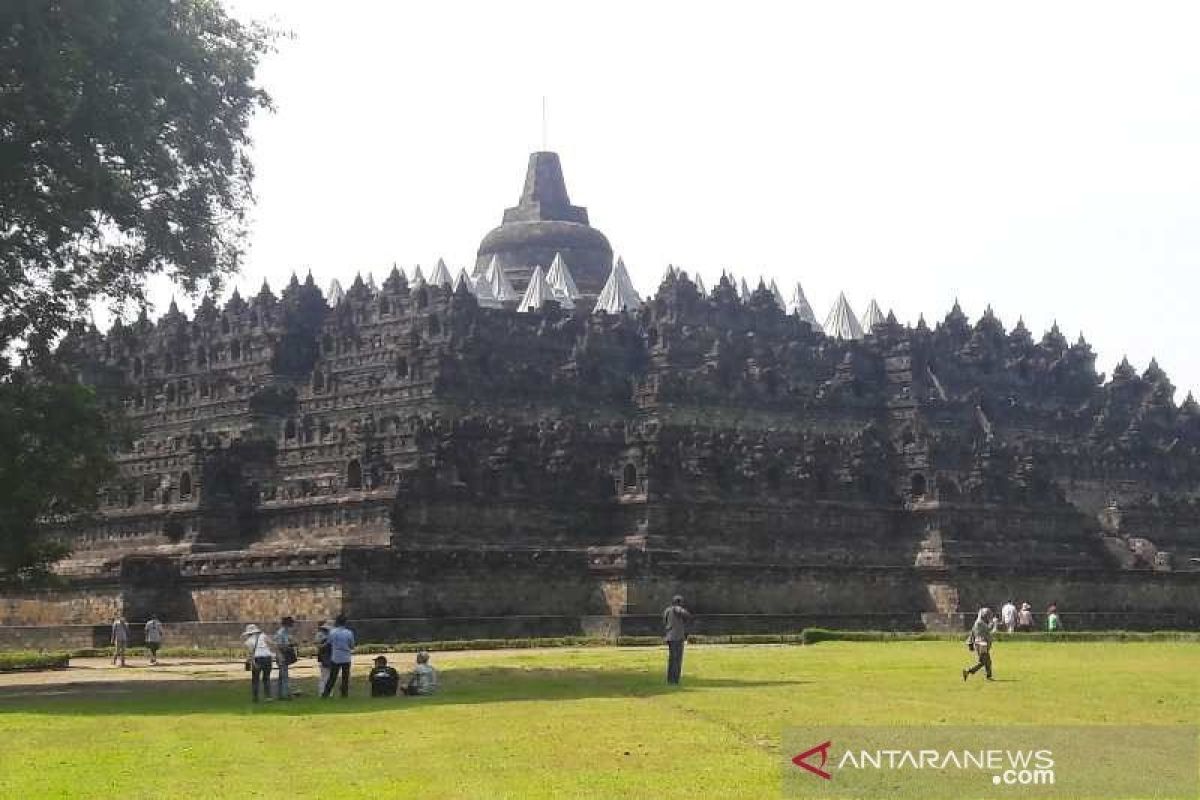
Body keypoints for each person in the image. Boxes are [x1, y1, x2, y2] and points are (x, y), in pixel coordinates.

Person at [322, 614, 355, 698]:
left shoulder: (332, 632)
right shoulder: (349, 633)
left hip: (335, 657)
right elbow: (352, 645)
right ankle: (344, 694)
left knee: (332, 677)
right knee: (345, 677)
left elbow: (328, 643)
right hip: (346, 657)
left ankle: (326, 694)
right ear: (345, 622)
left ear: (337, 622)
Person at [662, 594, 692, 685]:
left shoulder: (667, 610)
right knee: (677, 659)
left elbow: (664, 621)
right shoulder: (677, 609)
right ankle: (675, 679)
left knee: (672, 659)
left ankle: (670, 679)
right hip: (677, 637)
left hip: (670, 636)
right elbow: (687, 615)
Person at [243, 623, 275, 702]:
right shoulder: (263, 636)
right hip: (267, 658)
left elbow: (250, 653)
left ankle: (255, 697)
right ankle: (268, 697)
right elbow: (271, 643)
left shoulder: (248, 641)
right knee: (266, 678)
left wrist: (249, 662)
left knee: (255, 679)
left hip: (258, 659)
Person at [962, 607, 996, 682]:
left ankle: (989, 676)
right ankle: (968, 671)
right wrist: (993, 623)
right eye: (987, 615)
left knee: (987, 661)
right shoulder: (980, 623)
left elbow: (972, 633)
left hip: (981, 644)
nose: (988, 617)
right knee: (983, 662)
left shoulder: (978, 622)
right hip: (981, 644)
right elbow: (988, 629)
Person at [274, 616, 297, 700]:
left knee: (282, 676)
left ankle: (280, 694)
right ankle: (286, 695)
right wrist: (290, 646)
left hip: (283, 655)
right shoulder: (281, 633)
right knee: (285, 676)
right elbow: (279, 646)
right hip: (281, 656)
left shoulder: (286, 633)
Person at [314, 620, 332, 696]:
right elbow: (318, 645)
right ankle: (322, 692)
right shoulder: (320, 635)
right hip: (323, 657)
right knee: (324, 675)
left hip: (330, 657)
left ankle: (329, 692)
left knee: (330, 675)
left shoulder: (331, 634)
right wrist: (326, 643)